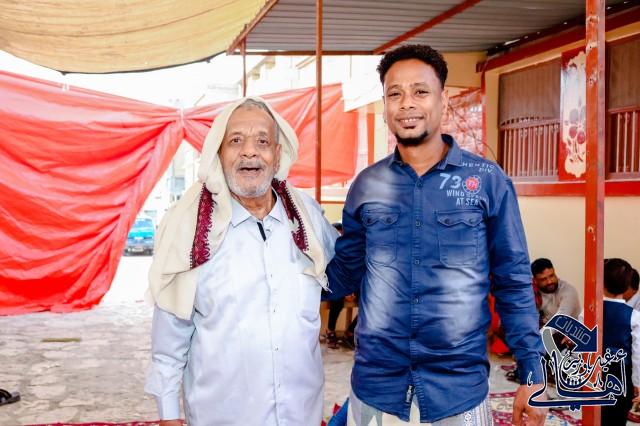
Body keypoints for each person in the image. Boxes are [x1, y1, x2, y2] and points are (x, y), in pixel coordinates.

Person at [326, 44, 546, 425]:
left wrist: (532, 374)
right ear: (385, 105)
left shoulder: (487, 182)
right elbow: (343, 273)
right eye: (395, 94)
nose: (407, 104)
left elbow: (513, 281)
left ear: (443, 100)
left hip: (457, 393)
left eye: (420, 91)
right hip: (377, 389)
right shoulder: (366, 186)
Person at [144, 98, 338, 425]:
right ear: (219, 154)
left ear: (277, 154)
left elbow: (346, 270)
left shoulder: (307, 217)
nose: (249, 152)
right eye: (236, 140)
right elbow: (169, 336)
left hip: (301, 414)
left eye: (262, 141)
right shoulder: (189, 228)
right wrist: (168, 414)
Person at [602, 258, 640, 425]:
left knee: (596, 414)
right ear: (627, 287)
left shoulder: (588, 311)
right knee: (617, 417)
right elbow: (637, 354)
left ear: (601, 284)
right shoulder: (634, 316)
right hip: (622, 375)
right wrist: (638, 383)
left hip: (596, 371)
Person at [531, 258, 581, 327]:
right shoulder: (533, 293)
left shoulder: (568, 290)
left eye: (551, 276)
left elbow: (560, 320)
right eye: (543, 279)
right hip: (543, 331)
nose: (549, 282)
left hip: (569, 332)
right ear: (535, 280)